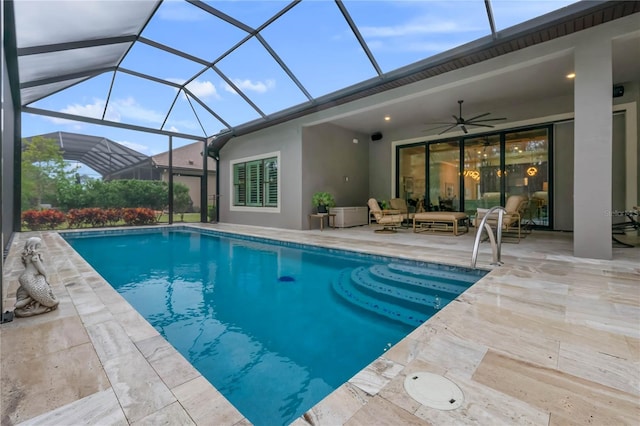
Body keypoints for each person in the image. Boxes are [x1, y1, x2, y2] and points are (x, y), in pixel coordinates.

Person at [14, 237, 59, 317]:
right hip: (31, 278)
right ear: (35, 245)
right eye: (39, 245)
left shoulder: (26, 255)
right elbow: (41, 269)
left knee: (25, 295)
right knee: (51, 302)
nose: (40, 247)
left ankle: (31, 298)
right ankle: (32, 298)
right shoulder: (34, 255)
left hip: (25, 277)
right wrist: (46, 278)